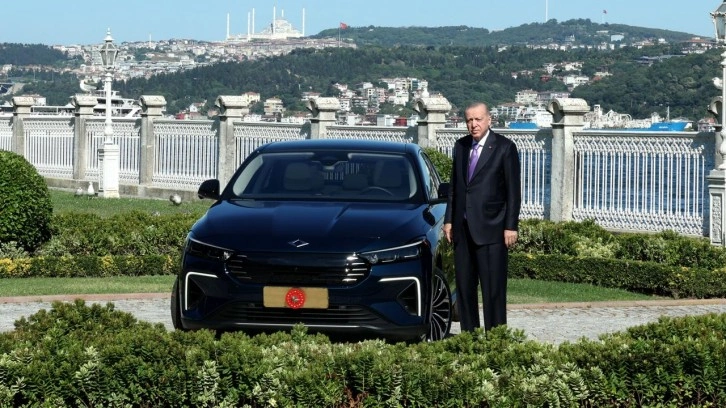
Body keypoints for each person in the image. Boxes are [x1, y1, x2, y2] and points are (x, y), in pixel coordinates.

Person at [442, 102, 521, 332]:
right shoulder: (461, 146)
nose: (473, 124)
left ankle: (495, 338)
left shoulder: (504, 147)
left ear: (489, 120)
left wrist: (510, 226)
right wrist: (449, 220)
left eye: (478, 119)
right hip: (462, 229)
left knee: (492, 290)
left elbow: (513, 191)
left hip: (492, 229)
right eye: (469, 120)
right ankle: (470, 338)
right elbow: (455, 187)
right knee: (465, 289)